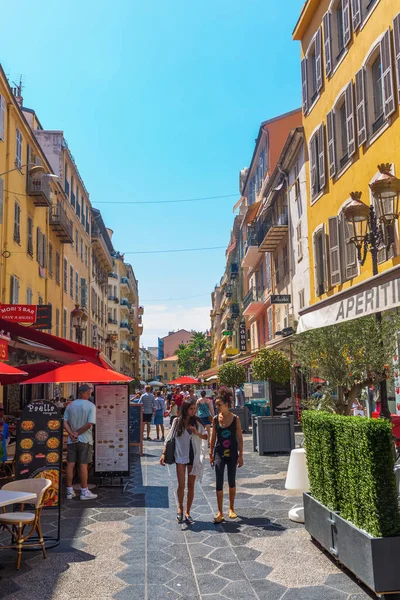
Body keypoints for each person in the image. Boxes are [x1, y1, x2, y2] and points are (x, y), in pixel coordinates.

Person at [160, 401, 208, 524]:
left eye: (194, 408)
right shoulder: (177, 421)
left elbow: (206, 436)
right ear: (185, 409)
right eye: (191, 408)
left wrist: (196, 432)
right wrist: (163, 454)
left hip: (193, 455)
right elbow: (169, 438)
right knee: (181, 485)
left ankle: (188, 512)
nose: (193, 411)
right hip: (180, 455)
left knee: (191, 485)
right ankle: (180, 508)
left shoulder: (197, 422)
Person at [210, 387, 243, 523]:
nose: (216, 406)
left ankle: (231, 508)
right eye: (216, 404)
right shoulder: (216, 419)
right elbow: (213, 437)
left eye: (219, 404)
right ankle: (220, 512)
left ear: (226, 405)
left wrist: (241, 455)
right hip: (219, 452)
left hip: (232, 453)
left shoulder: (236, 419)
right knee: (219, 480)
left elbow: (240, 438)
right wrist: (210, 453)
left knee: (231, 480)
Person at [63, 384, 97, 500]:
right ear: (84, 393)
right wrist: (77, 433)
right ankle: (84, 491)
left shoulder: (70, 405)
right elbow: (89, 424)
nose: (89, 394)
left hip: (71, 440)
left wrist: (71, 433)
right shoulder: (91, 406)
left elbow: (65, 422)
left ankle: (69, 491)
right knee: (83, 465)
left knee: (70, 464)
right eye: (88, 392)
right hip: (85, 439)